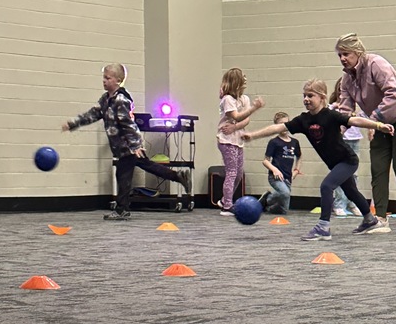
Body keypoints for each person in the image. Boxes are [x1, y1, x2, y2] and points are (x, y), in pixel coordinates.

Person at [242, 79, 393, 241]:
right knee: (351, 191)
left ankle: (323, 227)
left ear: (322, 97)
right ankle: (371, 220)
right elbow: (278, 128)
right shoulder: (303, 120)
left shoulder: (330, 115)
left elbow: (354, 120)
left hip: (347, 160)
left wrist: (378, 125)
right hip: (334, 163)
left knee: (326, 186)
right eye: (304, 96)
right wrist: (253, 135)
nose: (306, 99)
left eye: (310, 96)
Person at [62, 63, 190, 221]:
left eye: (108, 78)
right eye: (103, 77)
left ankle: (122, 209)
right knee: (149, 166)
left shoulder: (121, 100)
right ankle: (178, 176)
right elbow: (93, 114)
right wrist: (74, 123)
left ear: (118, 80)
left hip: (128, 148)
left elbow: (129, 125)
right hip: (122, 148)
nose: (104, 81)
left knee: (123, 176)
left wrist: (136, 145)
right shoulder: (106, 99)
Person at [335, 33, 396, 234]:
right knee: (379, 169)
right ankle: (380, 218)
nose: (342, 59)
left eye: (345, 54)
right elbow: (345, 109)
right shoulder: (347, 78)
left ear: (357, 52)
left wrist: (373, 120)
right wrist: (337, 130)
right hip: (380, 123)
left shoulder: (376, 64)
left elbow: (394, 94)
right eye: (339, 55)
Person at [217, 68, 265, 216]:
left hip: (237, 139)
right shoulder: (227, 100)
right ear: (236, 82)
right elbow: (237, 116)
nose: (245, 81)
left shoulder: (244, 99)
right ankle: (227, 206)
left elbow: (245, 120)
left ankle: (225, 199)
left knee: (238, 173)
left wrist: (235, 127)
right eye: (242, 78)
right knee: (231, 172)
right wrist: (254, 108)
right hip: (226, 140)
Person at [329, 79, 363, 217]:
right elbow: (326, 111)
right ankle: (339, 204)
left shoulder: (356, 105)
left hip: (355, 139)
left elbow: (365, 117)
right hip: (341, 140)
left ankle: (352, 203)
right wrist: (335, 106)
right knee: (340, 173)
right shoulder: (334, 107)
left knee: (353, 174)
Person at [261, 112, 302, 214]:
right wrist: (274, 170)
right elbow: (265, 161)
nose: (284, 127)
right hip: (275, 177)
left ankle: (268, 208)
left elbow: (299, 156)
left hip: (287, 177)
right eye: (281, 125)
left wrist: (296, 170)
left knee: (283, 210)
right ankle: (268, 199)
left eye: (286, 124)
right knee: (285, 193)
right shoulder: (274, 142)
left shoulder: (294, 142)